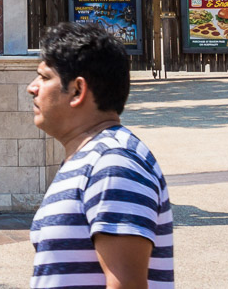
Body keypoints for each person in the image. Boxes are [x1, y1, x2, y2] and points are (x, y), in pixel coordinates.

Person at [27, 21, 173, 288]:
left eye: (45, 77)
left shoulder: (113, 164)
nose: (32, 88)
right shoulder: (92, 159)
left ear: (77, 90)